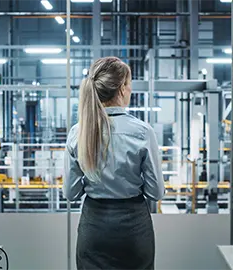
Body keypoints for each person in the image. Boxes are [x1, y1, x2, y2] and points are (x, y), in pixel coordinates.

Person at [63, 56, 165, 270]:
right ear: (121, 89)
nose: (130, 91)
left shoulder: (78, 132)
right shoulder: (142, 132)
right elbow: (156, 192)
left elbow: (71, 193)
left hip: (94, 227)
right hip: (133, 229)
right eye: (129, 85)